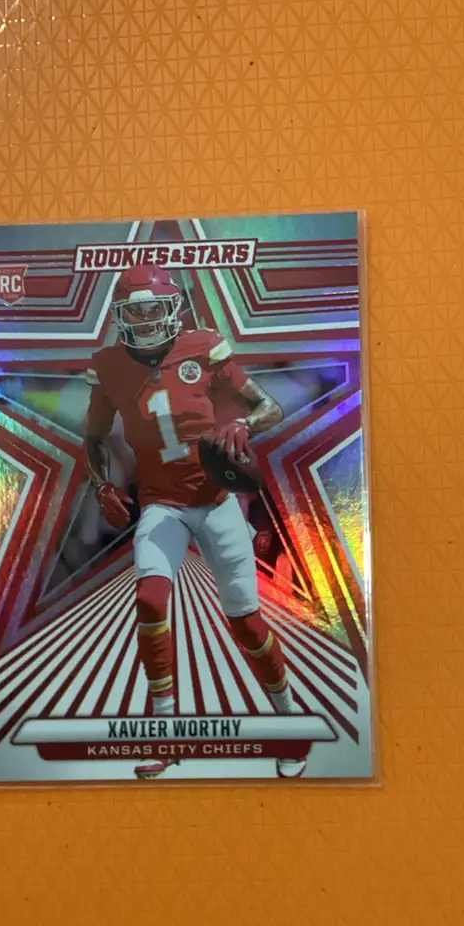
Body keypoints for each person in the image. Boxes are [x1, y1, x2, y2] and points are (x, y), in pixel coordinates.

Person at [84, 264, 305, 778]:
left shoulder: (203, 348)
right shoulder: (110, 365)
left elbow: (268, 406)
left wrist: (243, 423)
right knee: (149, 600)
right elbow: (94, 437)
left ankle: (289, 719)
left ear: (172, 310)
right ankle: (164, 731)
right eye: (134, 311)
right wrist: (101, 485)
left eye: (152, 309)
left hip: (216, 500)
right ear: (120, 316)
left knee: (246, 621)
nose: (144, 319)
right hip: (161, 504)